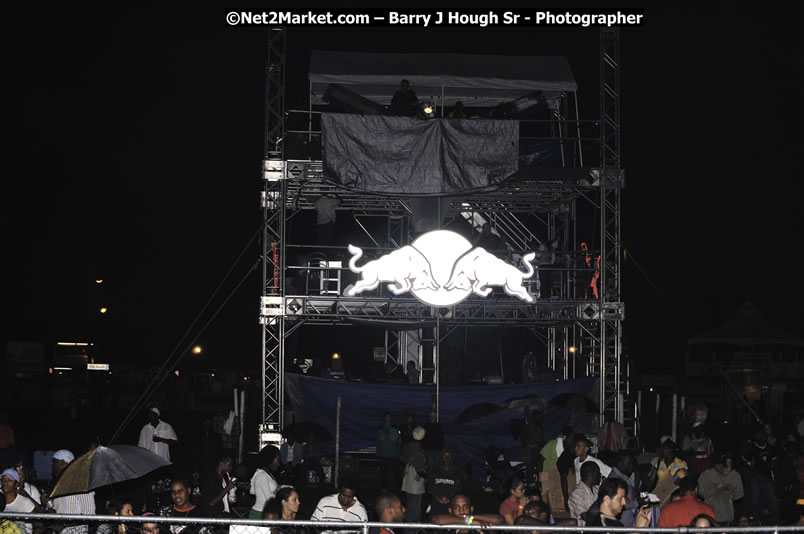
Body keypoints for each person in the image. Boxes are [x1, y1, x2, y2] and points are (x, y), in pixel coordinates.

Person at [47, 449, 96, 534]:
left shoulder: (81, 484)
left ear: (62, 463)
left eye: (54, 462)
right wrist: (47, 503)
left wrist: (65, 525)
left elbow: (89, 514)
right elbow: (56, 512)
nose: (52, 465)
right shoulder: (58, 485)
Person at [587, 477, 652, 530]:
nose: (624, 502)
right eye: (620, 498)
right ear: (607, 499)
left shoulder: (617, 524)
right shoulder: (598, 524)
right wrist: (637, 530)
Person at [538, 427, 574, 518]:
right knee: (548, 498)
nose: (572, 440)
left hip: (560, 476)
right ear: (566, 437)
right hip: (548, 475)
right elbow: (540, 459)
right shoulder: (552, 444)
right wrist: (540, 476)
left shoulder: (570, 449)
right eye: (571, 437)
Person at [697, 453, 744, 523]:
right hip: (711, 513)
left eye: (730, 470)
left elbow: (740, 493)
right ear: (721, 465)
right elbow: (701, 493)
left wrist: (728, 489)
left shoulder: (735, 476)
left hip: (727, 515)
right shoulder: (708, 474)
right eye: (726, 469)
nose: (728, 471)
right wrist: (716, 488)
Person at [430, 493, 503, 532]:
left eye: (465, 507)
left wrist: (471, 518)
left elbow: (499, 520)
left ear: (471, 509)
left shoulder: (478, 523)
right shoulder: (448, 525)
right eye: (456, 507)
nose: (461, 511)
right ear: (450, 510)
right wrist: (470, 521)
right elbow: (436, 520)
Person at [400, 426, 427, 523]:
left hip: (407, 479)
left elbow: (402, 458)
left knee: (410, 504)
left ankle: (408, 524)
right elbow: (420, 469)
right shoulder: (420, 450)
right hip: (416, 482)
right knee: (415, 506)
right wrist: (427, 477)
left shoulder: (407, 446)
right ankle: (413, 528)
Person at [426, 448, 464, 517]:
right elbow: (429, 490)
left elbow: (459, 490)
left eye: (448, 456)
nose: (446, 458)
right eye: (445, 456)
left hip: (451, 508)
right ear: (441, 458)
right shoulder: (434, 473)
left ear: (451, 458)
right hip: (436, 507)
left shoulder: (457, 474)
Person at [199, 451, 236, 517]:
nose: (231, 467)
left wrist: (231, 495)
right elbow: (211, 503)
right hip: (213, 517)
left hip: (222, 514)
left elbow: (223, 499)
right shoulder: (211, 479)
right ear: (222, 464)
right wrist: (227, 489)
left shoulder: (223, 478)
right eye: (229, 465)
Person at [249, 445, 280, 519]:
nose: (278, 464)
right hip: (259, 513)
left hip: (265, 512)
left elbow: (253, 491)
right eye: (277, 460)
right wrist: (281, 494)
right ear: (271, 459)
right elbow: (268, 498)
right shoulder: (261, 475)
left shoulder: (268, 474)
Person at [1, 468, 36, 534]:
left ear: (16, 484)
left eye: (9, 480)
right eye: (3, 480)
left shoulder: (25, 502)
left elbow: (40, 525)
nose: (5, 482)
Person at [567, 461, 600, 526]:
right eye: (598, 473)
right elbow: (585, 517)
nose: (600, 476)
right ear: (591, 475)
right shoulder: (577, 493)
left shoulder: (596, 489)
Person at [376, 413, 402, 492]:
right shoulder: (380, 429)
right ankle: (383, 487)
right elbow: (378, 442)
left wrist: (398, 452)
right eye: (386, 417)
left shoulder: (395, 428)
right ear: (384, 418)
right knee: (383, 471)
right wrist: (378, 453)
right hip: (383, 453)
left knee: (397, 471)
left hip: (394, 453)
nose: (388, 418)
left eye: (389, 417)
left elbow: (398, 441)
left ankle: (399, 487)